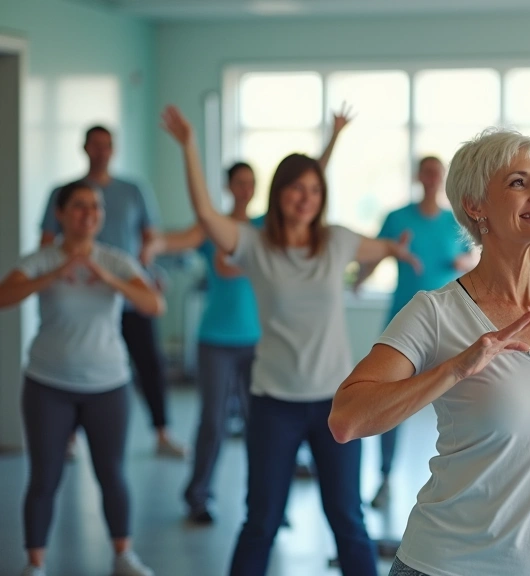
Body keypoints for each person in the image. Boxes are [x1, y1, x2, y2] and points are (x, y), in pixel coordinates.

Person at [328, 128, 530, 576]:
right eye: (519, 183)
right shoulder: (436, 313)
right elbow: (346, 418)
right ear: (476, 207)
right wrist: (455, 370)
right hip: (450, 565)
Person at [162, 105, 420, 576]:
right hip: (273, 405)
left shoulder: (338, 241)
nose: (305, 198)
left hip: (337, 405)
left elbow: (380, 247)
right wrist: (189, 147)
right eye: (296, 189)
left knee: (347, 519)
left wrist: (395, 250)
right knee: (260, 521)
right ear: (279, 194)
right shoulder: (255, 246)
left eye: (315, 190)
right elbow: (204, 214)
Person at [142, 107, 354, 524]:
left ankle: (269, 506)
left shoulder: (263, 229)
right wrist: (151, 247)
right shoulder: (219, 230)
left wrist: (333, 138)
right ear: (228, 186)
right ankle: (199, 495)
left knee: (265, 431)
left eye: (250, 183)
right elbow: (178, 237)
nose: (245, 188)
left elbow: (309, 183)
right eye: (238, 182)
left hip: (258, 340)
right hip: (216, 339)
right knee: (213, 423)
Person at [1, 181, 165, 576]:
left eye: (96, 207)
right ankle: (35, 562)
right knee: (45, 476)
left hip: (107, 385)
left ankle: (123, 555)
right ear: (60, 213)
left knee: (112, 473)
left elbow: (153, 305)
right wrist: (59, 271)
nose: (89, 213)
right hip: (48, 383)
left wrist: (105, 278)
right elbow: (5, 296)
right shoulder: (40, 259)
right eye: (79, 206)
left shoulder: (116, 260)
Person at [40, 125, 185, 459]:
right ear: (85, 148)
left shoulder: (133, 190)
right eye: (96, 145)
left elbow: (151, 238)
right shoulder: (64, 192)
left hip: (127, 291)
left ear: (113, 149)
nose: (102, 151)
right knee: (76, 361)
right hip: (82, 297)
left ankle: (163, 432)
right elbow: (47, 243)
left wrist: (147, 273)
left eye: (108, 145)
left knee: (149, 362)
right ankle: (69, 438)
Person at [352, 155, 476, 509]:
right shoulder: (397, 219)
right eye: (427, 171)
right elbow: (375, 255)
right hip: (403, 324)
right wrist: (358, 281)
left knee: (463, 400)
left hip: (451, 324)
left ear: (444, 178)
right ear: (419, 176)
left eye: (438, 172)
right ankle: (385, 478)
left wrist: (461, 263)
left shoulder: (455, 221)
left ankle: (462, 484)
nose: (432, 177)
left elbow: (473, 259)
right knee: (390, 400)